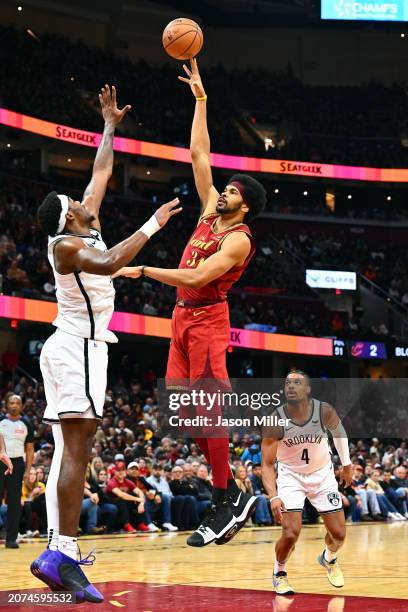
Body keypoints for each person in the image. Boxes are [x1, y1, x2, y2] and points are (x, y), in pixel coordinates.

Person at [30, 84, 181, 602]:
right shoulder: (69, 246)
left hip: (73, 346)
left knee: (67, 452)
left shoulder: (81, 223)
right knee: (77, 449)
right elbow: (112, 262)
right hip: (78, 347)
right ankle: (62, 553)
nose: (84, 198)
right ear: (69, 218)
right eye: (76, 202)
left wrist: (109, 125)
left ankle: (59, 550)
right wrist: (152, 224)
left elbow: (100, 172)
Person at [113, 58, 267, 548]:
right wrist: (200, 99)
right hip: (181, 319)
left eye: (232, 191)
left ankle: (225, 501)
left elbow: (200, 275)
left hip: (207, 321)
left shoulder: (240, 239)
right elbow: (200, 155)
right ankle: (236, 494)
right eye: (225, 188)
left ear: (244, 205)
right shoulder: (208, 211)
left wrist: (143, 269)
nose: (223, 191)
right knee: (183, 414)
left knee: (208, 413)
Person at [262, 370, 353, 595]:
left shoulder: (324, 410)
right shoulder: (275, 419)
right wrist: (273, 495)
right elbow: (266, 464)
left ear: (308, 389)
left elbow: (339, 433)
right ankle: (279, 573)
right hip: (291, 477)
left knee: (339, 535)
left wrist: (347, 465)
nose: (291, 386)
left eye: (297, 383)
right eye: (288, 383)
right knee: (291, 532)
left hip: (322, 476)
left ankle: (328, 558)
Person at [0, 395, 34, 548]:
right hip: (1, 461)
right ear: (7, 405)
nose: (14, 405)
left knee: (14, 502)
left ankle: (11, 539)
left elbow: (30, 449)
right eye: (11, 403)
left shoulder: (26, 423)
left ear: (22, 406)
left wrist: (27, 471)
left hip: (18, 463)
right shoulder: (1, 421)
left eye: (17, 403)